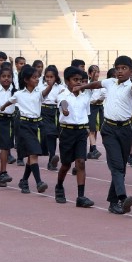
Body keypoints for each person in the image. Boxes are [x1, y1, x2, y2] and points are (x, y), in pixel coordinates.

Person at [79, 56, 132, 215]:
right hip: (109, 129)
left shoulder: (131, 87)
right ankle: (122, 198)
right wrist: (83, 87)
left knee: (121, 168)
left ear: (131, 71)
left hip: (125, 130)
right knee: (117, 166)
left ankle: (112, 202)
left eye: (124, 68)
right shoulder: (109, 82)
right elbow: (97, 84)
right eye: (117, 68)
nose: (120, 71)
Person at [54, 66, 95, 207]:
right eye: (74, 80)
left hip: (81, 132)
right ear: (67, 81)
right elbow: (63, 103)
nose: (78, 82)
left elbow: (94, 86)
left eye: (80, 80)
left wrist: (92, 80)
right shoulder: (63, 93)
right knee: (66, 164)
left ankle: (81, 196)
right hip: (67, 131)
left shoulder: (86, 94)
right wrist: (64, 110)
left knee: (81, 162)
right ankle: (59, 185)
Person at [40, 65, 66, 170]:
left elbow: (64, 98)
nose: (49, 79)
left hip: (56, 111)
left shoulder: (60, 87)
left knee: (57, 135)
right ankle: (51, 158)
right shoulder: (40, 86)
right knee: (49, 134)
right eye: (47, 77)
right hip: (44, 111)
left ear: (56, 77)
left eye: (51, 77)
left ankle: (59, 159)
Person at [86, 64, 104, 160]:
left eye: (97, 72)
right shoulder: (89, 83)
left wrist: (100, 100)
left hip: (99, 107)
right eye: (94, 72)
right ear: (89, 73)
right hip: (91, 107)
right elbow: (92, 84)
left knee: (95, 130)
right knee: (90, 130)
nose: (96, 74)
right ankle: (94, 148)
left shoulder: (101, 84)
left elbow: (104, 95)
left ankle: (91, 150)